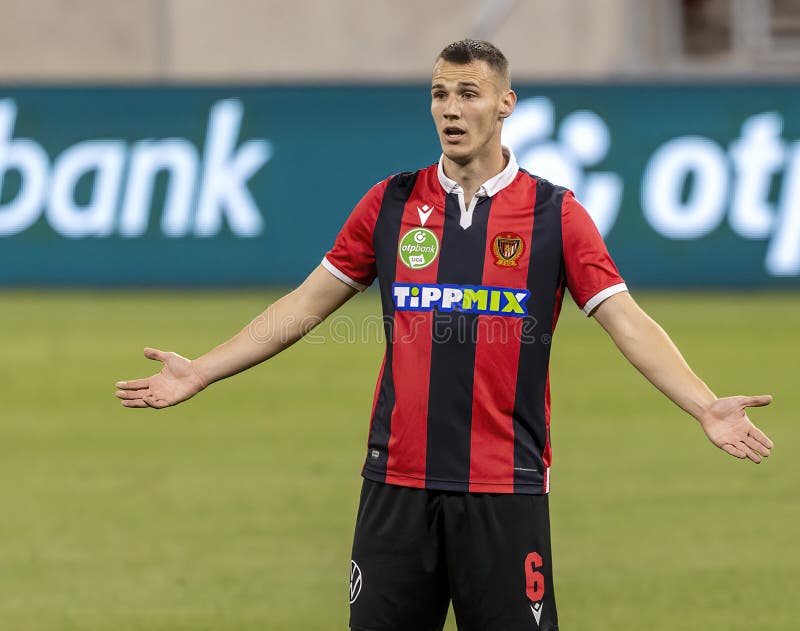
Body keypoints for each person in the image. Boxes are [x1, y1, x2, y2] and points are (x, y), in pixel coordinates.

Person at [115, 39, 774, 631]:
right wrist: (203, 368)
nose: (450, 109)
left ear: (505, 104)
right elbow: (304, 305)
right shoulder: (392, 204)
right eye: (439, 93)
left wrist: (703, 403)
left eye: (468, 93)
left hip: (503, 490)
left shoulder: (554, 214)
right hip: (396, 487)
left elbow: (625, 317)